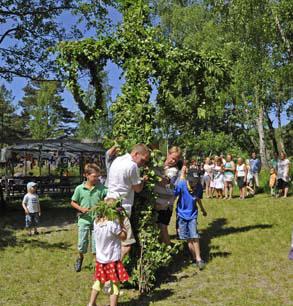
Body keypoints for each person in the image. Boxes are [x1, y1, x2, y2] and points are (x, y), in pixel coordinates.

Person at [106, 144, 150, 259]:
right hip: (122, 207)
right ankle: (114, 268)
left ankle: (108, 267)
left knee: (113, 240)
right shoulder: (132, 166)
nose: (143, 164)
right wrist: (143, 180)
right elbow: (138, 189)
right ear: (135, 154)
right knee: (126, 244)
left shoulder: (118, 159)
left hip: (108, 202)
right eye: (143, 160)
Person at [88, 199, 129, 306]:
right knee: (115, 284)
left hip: (101, 259)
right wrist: (122, 224)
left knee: (99, 281)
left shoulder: (96, 222)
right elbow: (123, 237)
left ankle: (91, 303)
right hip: (112, 260)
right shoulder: (113, 224)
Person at [71, 163, 107, 272]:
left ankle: (97, 265)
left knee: (97, 244)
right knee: (82, 243)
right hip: (84, 220)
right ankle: (80, 257)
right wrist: (81, 209)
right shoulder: (79, 189)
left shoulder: (101, 188)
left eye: (98, 176)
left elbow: (109, 197)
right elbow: (73, 202)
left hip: (97, 221)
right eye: (94, 176)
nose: (97, 178)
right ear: (86, 175)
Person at [174, 169, 207, 269]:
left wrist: (202, 209)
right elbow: (174, 195)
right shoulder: (182, 184)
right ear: (188, 179)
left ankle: (198, 258)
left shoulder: (199, 187)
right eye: (192, 180)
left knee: (194, 236)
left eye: (196, 180)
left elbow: (197, 199)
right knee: (187, 238)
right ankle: (194, 257)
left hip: (192, 214)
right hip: (182, 214)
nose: (194, 183)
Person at [155, 146, 181, 245]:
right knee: (157, 227)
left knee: (163, 226)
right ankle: (162, 246)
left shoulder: (174, 171)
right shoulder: (159, 165)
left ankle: (168, 247)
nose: (173, 160)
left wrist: (153, 172)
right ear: (168, 154)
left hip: (166, 204)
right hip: (156, 201)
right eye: (172, 157)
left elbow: (164, 182)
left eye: (176, 159)